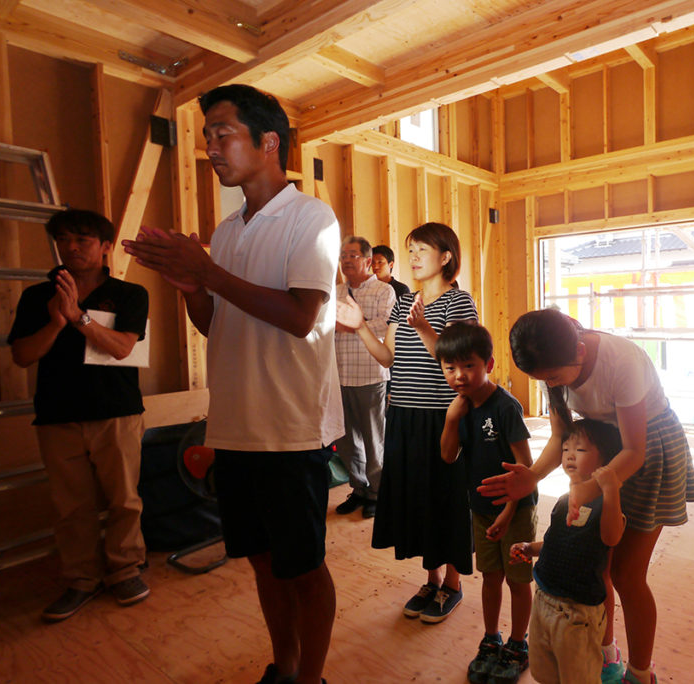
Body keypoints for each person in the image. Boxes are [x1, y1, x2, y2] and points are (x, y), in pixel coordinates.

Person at [122, 84, 341, 684]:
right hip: (235, 426)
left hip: (290, 429)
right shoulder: (228, 230)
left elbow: (301, 317)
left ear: (269, 142)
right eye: (207, 137)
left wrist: (209, 272)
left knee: (304, 566)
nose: (211, 148)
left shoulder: (311, 218)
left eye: (223, 134)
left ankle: (311, 678)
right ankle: (285, 667)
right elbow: (216, 325)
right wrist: (192, 286)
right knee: (263, 561)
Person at [480, 309, 694, 684]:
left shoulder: (621, 361)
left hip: (646, 450)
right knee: (598, 565)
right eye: (541, 379)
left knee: (627, 574)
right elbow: (560, 435)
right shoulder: (551, 365)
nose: (548, 383)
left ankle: (640, 673)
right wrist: (532, 476)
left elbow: (634, 450)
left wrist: (589, 487)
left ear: (580, 351)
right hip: (601, 449)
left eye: (552, 377)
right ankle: (606, 655)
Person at [8, 208, 150, 622]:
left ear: (104, 247)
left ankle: (125, 570)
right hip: (57, 415)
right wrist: (56, 322)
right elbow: (22, 355)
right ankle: (80, 580)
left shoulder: (130, 294)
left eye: (82, 240)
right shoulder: (37, 297)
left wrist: (79, 318)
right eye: (64, 239)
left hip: (116, 412)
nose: (71, 247)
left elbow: (122, 348)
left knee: (124, 499)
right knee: (71, 507)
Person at [336, 222, 476, 625]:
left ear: (445, 257)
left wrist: (425, 329)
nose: (413, 257)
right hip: (403, 414)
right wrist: (360, 326)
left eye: (421, 250)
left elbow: (456, 363)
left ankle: (452, 583)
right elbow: (388, 358)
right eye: (410, 250)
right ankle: (431, 579)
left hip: (444, 417)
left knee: (447, 500)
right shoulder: (404, 303)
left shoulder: (458, 302)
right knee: (419, 499)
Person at [437, 321, 535, 684]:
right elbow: (448, 456)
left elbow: (526, 468)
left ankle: (518, 643)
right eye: (450, 367)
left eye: (469, 365)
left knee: (518, 580)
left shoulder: (506, 407)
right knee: (491, 577)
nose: (459, 375)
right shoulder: (459, 408)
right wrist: (451, 420)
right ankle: (491, 638)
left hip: (516, 510)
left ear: (488, 364)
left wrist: (508, 511)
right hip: (480, 509)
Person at [509, 419, 626, 684]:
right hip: (543, 599)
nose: (570, 455)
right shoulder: (564, 500)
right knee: (544, 671)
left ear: (605, 461)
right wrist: (530, 548)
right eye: (565, 449)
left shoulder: (606, 503)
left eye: (580, 449)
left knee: (578, 677)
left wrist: (610, 490)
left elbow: (612, 537)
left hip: (578, 613)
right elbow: (556, 541)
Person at [334, 236, 396, 519]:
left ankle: (378, 493)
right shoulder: (335, 291)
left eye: (353, 255)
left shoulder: (384, 291)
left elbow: (385, 325)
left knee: (374, 440)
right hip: (339, 376)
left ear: (368, 261)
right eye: (343, 256)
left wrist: (352, 325)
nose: (346, 260)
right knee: (347, 441)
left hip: (370, 375)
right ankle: (358, 489)